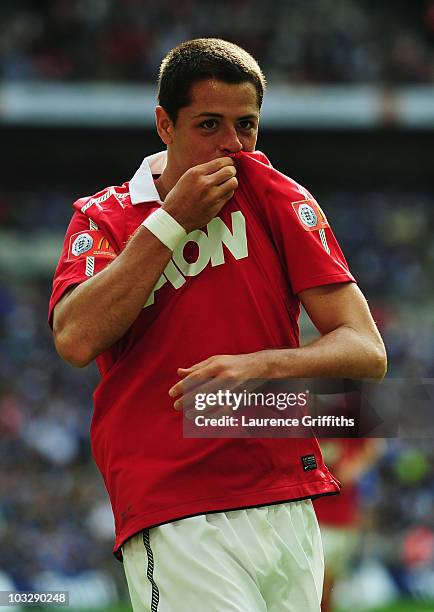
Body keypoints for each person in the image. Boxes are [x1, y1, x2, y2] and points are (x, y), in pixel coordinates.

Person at [49, 38, 387, 612]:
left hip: (286, 494)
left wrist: (260, 365)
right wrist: (171, 220)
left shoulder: (278, 197)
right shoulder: (104, 217)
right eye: (210, 124)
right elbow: (75, 339)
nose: (231, 145)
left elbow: (366, 350)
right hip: (176, 504)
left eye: (246, 125)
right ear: (165, 123)